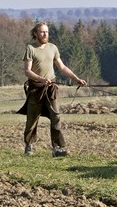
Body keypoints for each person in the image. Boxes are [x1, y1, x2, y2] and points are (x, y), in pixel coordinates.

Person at [18, 22, 87, 157]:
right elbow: (27, 71)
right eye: (42, 32)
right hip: (36, 89)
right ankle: (29, 145)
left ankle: (58, 148)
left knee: (56, 117)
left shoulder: (53, 48)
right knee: (32, 119)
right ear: (35, 34)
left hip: (51, 89)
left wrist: (76, 79)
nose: (45, 34)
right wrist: (40, 79)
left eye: (47, 32)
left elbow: (62, 67)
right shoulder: (30, 49)